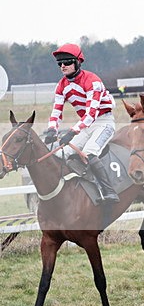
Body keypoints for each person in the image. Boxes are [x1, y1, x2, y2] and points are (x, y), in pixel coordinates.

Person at [43, 43, 119, 203]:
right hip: (85, 126)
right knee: (59, 155)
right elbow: (56, 111)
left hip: (103, 122)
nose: (63, 66)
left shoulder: (92, 81)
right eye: (59, 63)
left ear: (78, 62)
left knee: (89, 152)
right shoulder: (61, 86)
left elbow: (91, 114)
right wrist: (52, 129)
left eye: (67, 62)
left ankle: (109, 191)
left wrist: (71, 132)